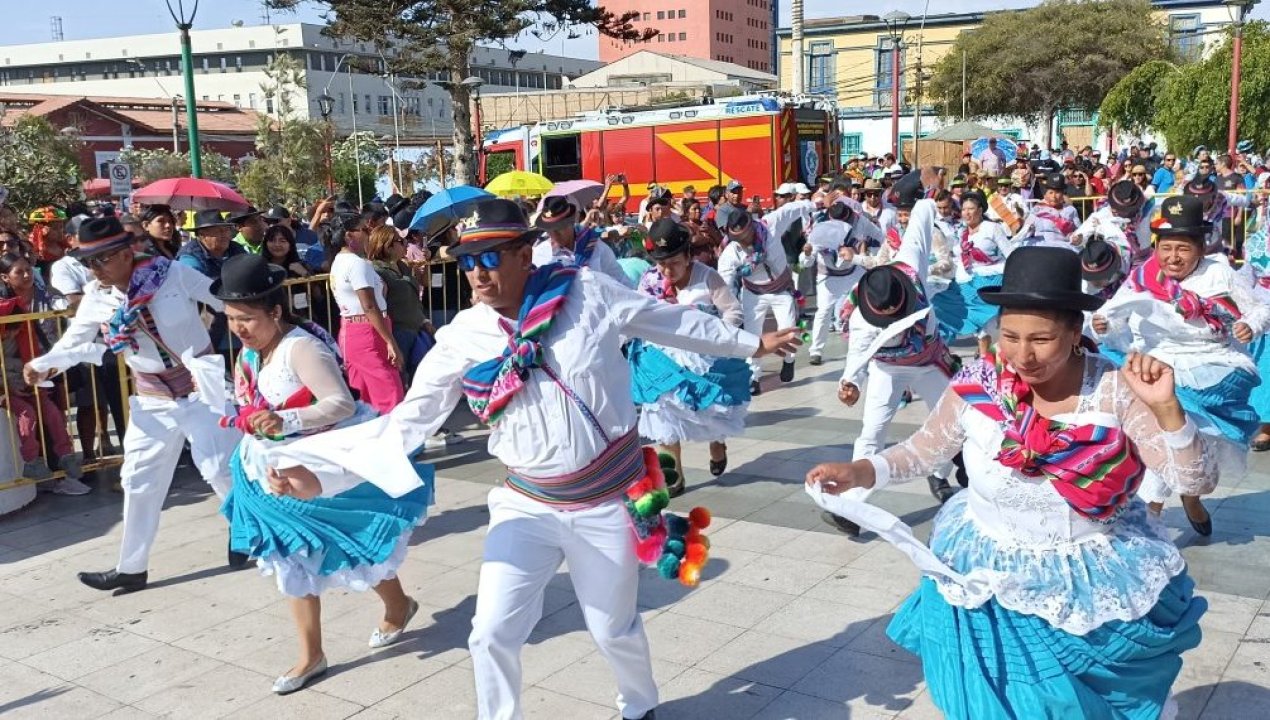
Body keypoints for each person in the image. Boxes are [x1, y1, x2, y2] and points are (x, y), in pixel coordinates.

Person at [264, 198, 801, 720]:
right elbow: (407, 423)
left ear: (526, 254)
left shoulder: (587, 294)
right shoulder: (463, 337)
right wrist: (323, 476)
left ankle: (639, 705)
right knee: (490, 632)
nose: (477, 273)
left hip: (603, 503)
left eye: (491, 257)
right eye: (468, 261)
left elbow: (671, 321)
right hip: (526, 505)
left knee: (612, 627)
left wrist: (751, 343)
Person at [807, 245, 1215, 720]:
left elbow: (1195, 478)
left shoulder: (1114, 390)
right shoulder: (980, 382)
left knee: (1067, 707)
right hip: (985, 571)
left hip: (1079, 581)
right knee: (993, 702)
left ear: (1074, 332)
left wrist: (1168, 410)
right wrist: (860, 472)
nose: (1023, 355)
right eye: (1010, 336)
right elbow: (924, 449)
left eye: (1041, 339)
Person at [213, 254, 431, 694]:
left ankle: (398, 605)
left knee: (350, 545)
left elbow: (340, 404)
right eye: (232, 318)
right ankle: (311, 654)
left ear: (275, 311)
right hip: (270, 467)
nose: (239, 328)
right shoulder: (252, 351)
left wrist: (285, 422)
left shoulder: (301, 347)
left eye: (247, 319)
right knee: (289, 557)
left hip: (319, 463)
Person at [24, 217, 244, 594]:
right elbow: (75, 340)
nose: (94, 269)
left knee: (219, 470)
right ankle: (131, 567)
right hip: (151, 399)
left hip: (199, 390)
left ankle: (248, 535)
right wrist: (43, 365)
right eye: (89, 262)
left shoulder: (171, 273)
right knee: (139, 480)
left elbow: (224, 300)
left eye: (101, 260)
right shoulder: (98, 295)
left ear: (126, 253)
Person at [1091, 195, 1267, 537]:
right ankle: (1151, 517)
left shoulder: (1220, 274)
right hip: (1154, 361)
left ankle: (1189, 496)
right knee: (1160, 434)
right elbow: (1113, 313)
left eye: (1182, 248)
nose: (1173, 257)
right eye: (1166, 247)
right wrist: (1104, 325)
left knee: (1193, 441)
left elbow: (1260, 308)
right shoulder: (1144, 274)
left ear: (1200, 247)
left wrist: (1252, 325)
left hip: (1210, 366)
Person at [828, 187, 965, 536]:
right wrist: (850, 385)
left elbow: (920, 219)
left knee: (953, 424)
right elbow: (857, 358)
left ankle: (940, 476)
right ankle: (852, 507)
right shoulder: (860, 320)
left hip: (931, 363)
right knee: (871, 434)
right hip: (887, 369)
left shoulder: (910, 263)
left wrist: (925, 187)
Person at [630, 219, 751, 495]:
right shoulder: (649, 281)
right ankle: (674, 476)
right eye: (660, 262)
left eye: (672, 261)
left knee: (712, 412)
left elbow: (733, 312)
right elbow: (635, 315)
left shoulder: (708, 277)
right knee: (662, 412)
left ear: (687, 255)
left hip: (704, 360)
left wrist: (714, 333)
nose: (666, 269)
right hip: (661, 362)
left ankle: (717, 443)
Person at [0, 252, 87, 494]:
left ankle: (65, 459)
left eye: (29, 270)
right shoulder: (4, 307)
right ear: (5, 277)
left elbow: (63, 307)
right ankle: (35, 463)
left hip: (44, 369)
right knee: (28, 416)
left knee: (54, 414)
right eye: (20, 272)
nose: (27, 275)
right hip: (12, 381)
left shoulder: (45, 295)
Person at [329, 213, 405, 414]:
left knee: (364, 394)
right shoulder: (356, 264)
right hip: (368, 331)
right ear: (349, 236)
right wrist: (390, 341)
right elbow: (369, 305)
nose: (370, 234)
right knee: (389, 389)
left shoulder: (341, 261)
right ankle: (399, 439)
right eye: (364, 230)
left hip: (356, 330)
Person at [717, 211, 799, 393]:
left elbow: (793, 208)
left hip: (780, 290)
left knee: (789, 331)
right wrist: (727, 306)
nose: (742, 240)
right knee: (752, 336)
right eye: (736, 237)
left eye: (744, 235)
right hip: (753, 293)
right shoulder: (731, 252)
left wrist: (814, 204)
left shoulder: (770, 226)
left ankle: (789, 361)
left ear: (751, 228)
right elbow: (725, 282)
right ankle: (753, 377)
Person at [932, 191, 1015, 358]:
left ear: (980, 210)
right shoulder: (963, 233)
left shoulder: (991, 228)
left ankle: (986, 362)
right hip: (968, 283)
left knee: (986, 326)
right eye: (963, 209)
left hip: (991, 282)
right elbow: (955, 255)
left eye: (971, 209)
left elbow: (1011, 254)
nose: (967, 213)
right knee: (940, 302)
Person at [798, 202, 873, 365]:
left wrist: (861, 254)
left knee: (867, 305)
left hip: (853, 273)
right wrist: (807, 254)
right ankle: (816, 351)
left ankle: (869, 345)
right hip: (828, 277)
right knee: (824, 311)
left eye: (845, 219)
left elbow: (866, 249)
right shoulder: (818, 233)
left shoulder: (857, 227)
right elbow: (805, 263)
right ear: (830, 217)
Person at [366, 226, 434, 386]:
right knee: (400, 378)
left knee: (421, 377)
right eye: (401, 241)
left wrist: (426, 263)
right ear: (387, 245)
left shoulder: (403, 266)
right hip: (397, 331)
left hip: (416, 327)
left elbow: (423, 284)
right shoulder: (376, 271)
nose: (406, 243)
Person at [532, 196, 631, 286]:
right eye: (549, 230)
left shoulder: (597, 248)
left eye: (558, 228)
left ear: (572, 222)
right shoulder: (540, 254)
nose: (553, 235)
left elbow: (622, 283)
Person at [1019, 172, 1080, 248]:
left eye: (1057, 192)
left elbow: (1078, 233)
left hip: (1062, 248)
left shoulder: (1070, 210)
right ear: (1046, 194)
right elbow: (1026, 230)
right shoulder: (1037, 209)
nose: (1053, 196)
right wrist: (1027, 227)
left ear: (1063, 194)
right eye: (1051, 192)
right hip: (1039, 247)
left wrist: (1076, 238)